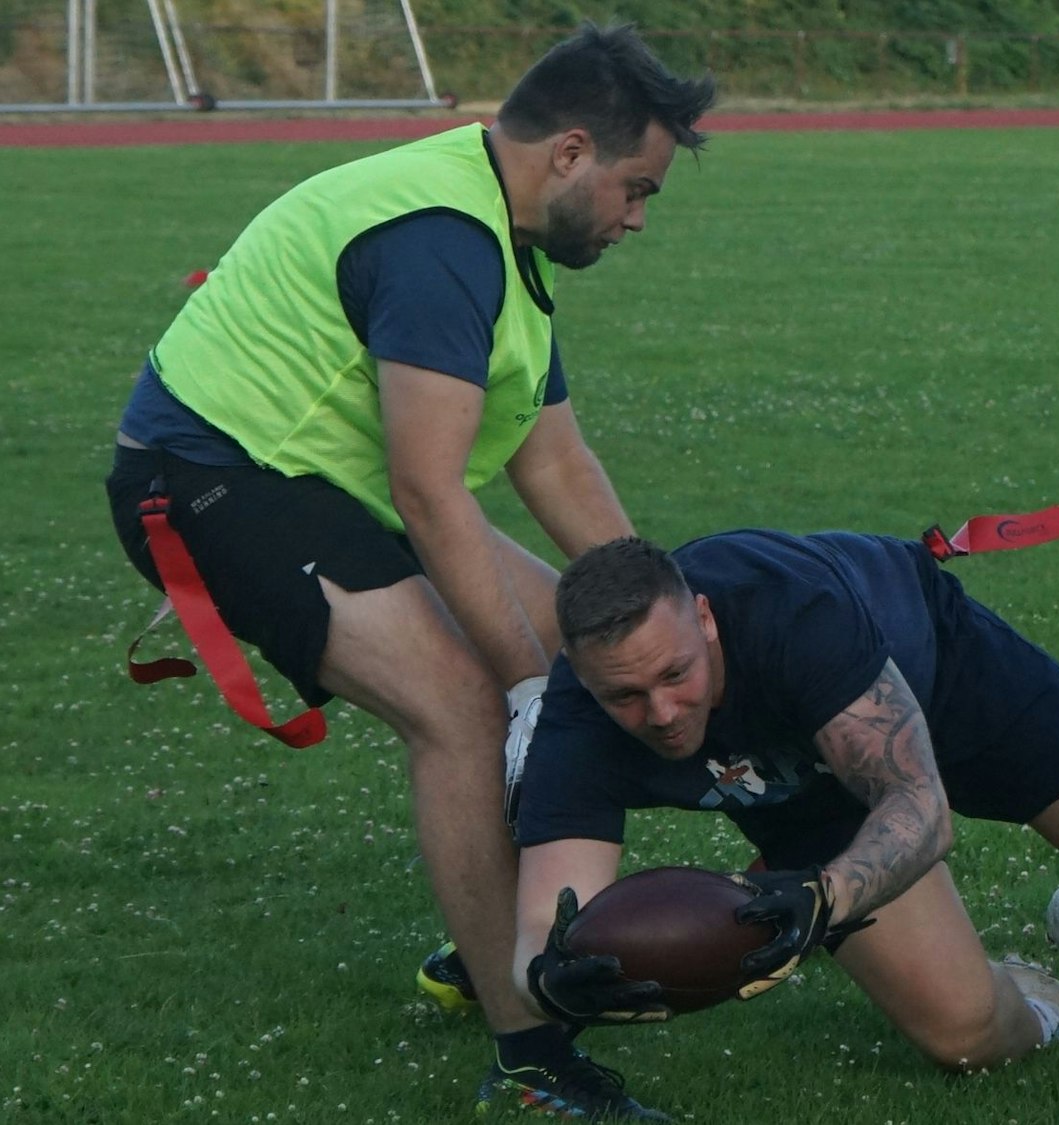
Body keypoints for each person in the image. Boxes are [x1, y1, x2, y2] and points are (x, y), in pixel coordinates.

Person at [103, 24, 715, 1119]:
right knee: (469, 711)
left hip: (323, 484)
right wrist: (522, 687)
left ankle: (495, 938)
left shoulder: (502, 238)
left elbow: (554, 459)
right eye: (637, 189)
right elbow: (431, 496)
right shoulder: (443, 240)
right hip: (209, 479)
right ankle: (531, 1059)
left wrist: (665, 609)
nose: (636, 218)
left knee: (591, 656)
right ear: (571, 152)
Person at [505, 529, 1059, 1090]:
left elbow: (921, 807)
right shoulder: (575, 725)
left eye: (675, 673)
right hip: (802, 794)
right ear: (582, 674)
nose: (660, 712)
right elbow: (546, 922)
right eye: (624, 695)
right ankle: (1057, 1007)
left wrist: (825, 898)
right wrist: (550, 982)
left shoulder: (791, 613)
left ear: (707, 620)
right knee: (966, 1037)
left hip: (937, 671)